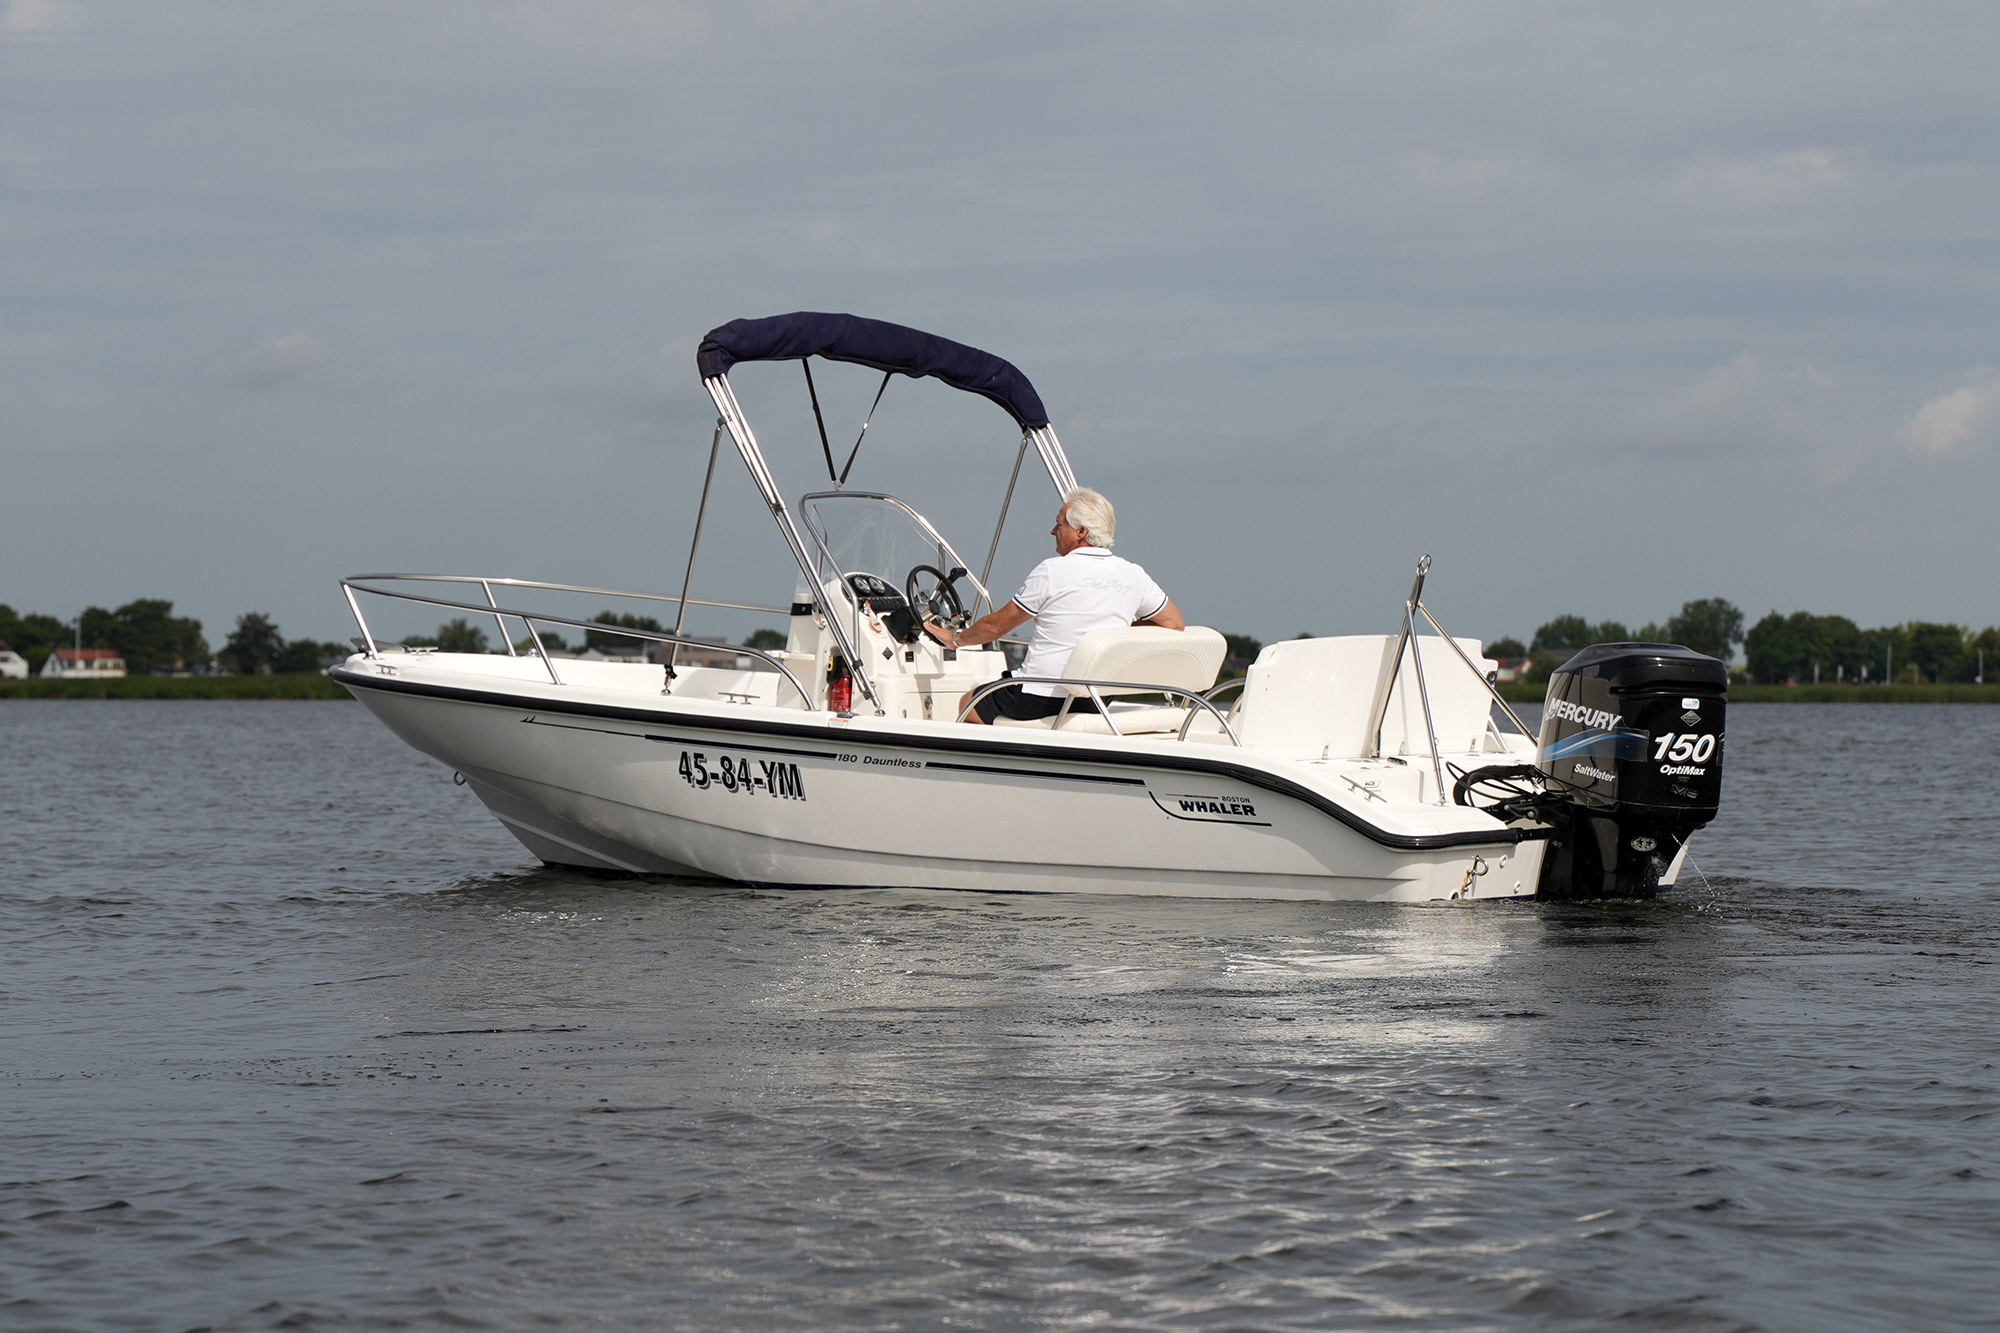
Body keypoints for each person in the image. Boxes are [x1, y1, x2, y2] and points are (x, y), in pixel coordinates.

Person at [925, 487, 1183, 723]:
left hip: (1041, 695)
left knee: (969, 702)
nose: (1052, 531)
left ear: (1081, 532)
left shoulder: (1052, 570)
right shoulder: (1133, 573)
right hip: (1097, 699)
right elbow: (1173, 623)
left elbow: (995, 627)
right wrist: (1118, 630)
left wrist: (954, 639)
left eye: (1059, 524)